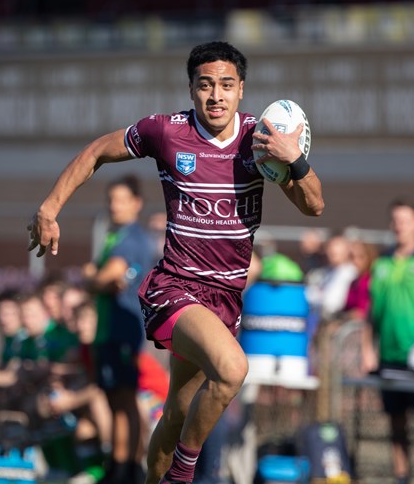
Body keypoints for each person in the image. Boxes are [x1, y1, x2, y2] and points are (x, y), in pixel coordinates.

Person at [28, 40, 324, 484]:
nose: (216, 95)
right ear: (191, 89)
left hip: (225, 298)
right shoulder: (166, 132)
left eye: (226, 85)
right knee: (232, 369)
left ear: (241, 89)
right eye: (205, 85)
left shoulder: (260, 141)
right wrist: (49, 208)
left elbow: (314, 206)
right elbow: (96, 152)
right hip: (175, 288)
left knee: (177, 414)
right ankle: (182, 478)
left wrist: (294, 159)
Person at [360, 198, 414, 484]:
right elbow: (372, 311)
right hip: (389, 353)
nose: (400, 226)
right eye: (395, 220)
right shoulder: (382, 262)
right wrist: (367, 349)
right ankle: (402, 476)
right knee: (396, 421)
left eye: (405, 220)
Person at [79, 174, 157, 484]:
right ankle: (118, 460)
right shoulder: (115, 235)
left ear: (136, 203)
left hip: (124, 328)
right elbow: (106, 277)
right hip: (108, 328)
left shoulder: (132, 238)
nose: (115, 206)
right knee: (113, 398)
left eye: (122, 200)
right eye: (111, 200)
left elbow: (109, 276)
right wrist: (98, 278)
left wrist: (92, 278)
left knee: (126, 398)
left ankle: (130, 466)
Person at [305, 234, 357, 321]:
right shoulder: (324, 273)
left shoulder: (352, 274)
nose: (332, 251)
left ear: (347, 250)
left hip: (340, 322)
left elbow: (334, 303)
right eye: (330, 247)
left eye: (337, 247)